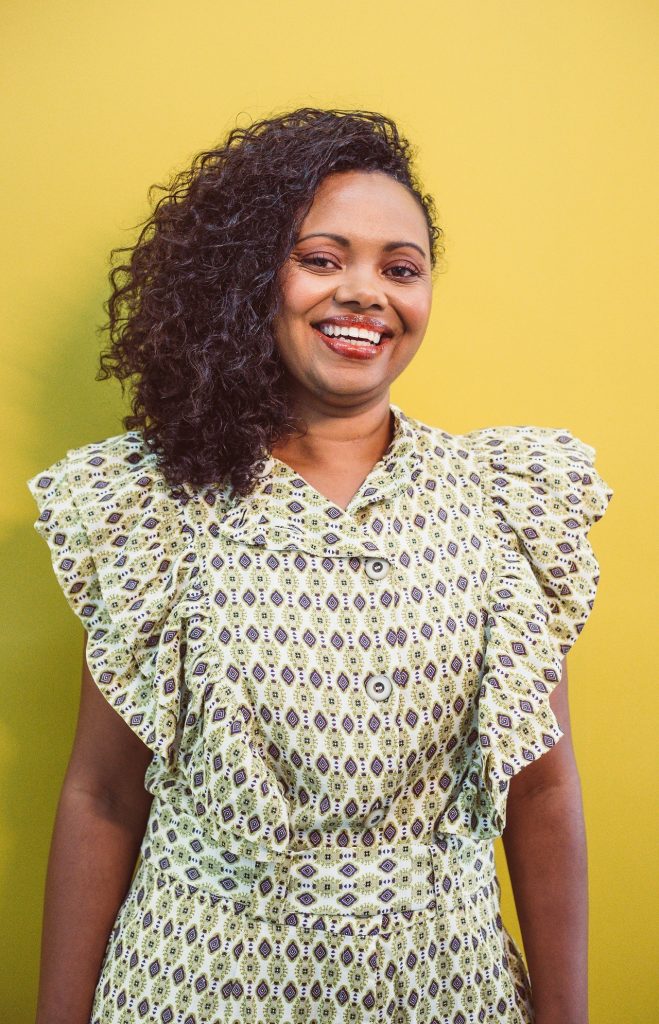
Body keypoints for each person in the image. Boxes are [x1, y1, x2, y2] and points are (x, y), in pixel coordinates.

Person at [28, 107, 614, 1024]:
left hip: (440, 990)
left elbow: (541, 788)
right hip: (192, 986)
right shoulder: (150, 505)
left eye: (400, 268)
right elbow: (101, 794)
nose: (364, 292)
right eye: (320, 258)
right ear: (248, 277)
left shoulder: (507, 500)